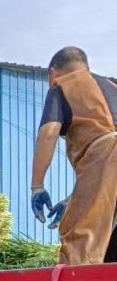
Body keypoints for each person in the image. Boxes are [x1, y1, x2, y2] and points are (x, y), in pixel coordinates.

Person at [30, 46, 117, 265]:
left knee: (80, 239)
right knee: (110, 237)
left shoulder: (64, 85)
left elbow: (48, 133)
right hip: (109, 160)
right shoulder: (112, 85)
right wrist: (72, 200)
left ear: (53, 73)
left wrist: (37, 186)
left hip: (107, 154)